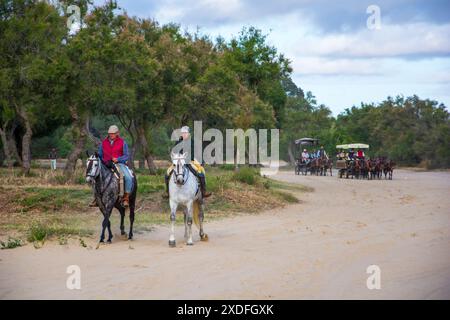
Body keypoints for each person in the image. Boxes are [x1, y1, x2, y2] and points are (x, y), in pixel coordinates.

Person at [89, 125, 133, 207]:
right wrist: (101, 158)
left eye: (113, 133)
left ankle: (126, 198)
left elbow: (126, 155)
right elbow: (100, 155)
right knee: (94, 177)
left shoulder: (122, 142)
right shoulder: (104, 143)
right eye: (110, 133)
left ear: (117, 133)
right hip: (106, 164)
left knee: (128, 177)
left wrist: (118, 159)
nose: (111, 135)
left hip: (119, 164)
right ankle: (96, 197)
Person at [163, 126, 211, 199]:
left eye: (185, 133)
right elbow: (175, 152)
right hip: (179, 162)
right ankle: (168, 192)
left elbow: (193, 152)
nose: (184, 134)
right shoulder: (178, 142)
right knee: (167, 173)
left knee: (201, 172)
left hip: (189, 161)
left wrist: (185, 158)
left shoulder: (192, 142)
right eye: (182, 133)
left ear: (188, 133)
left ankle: (203, 191)